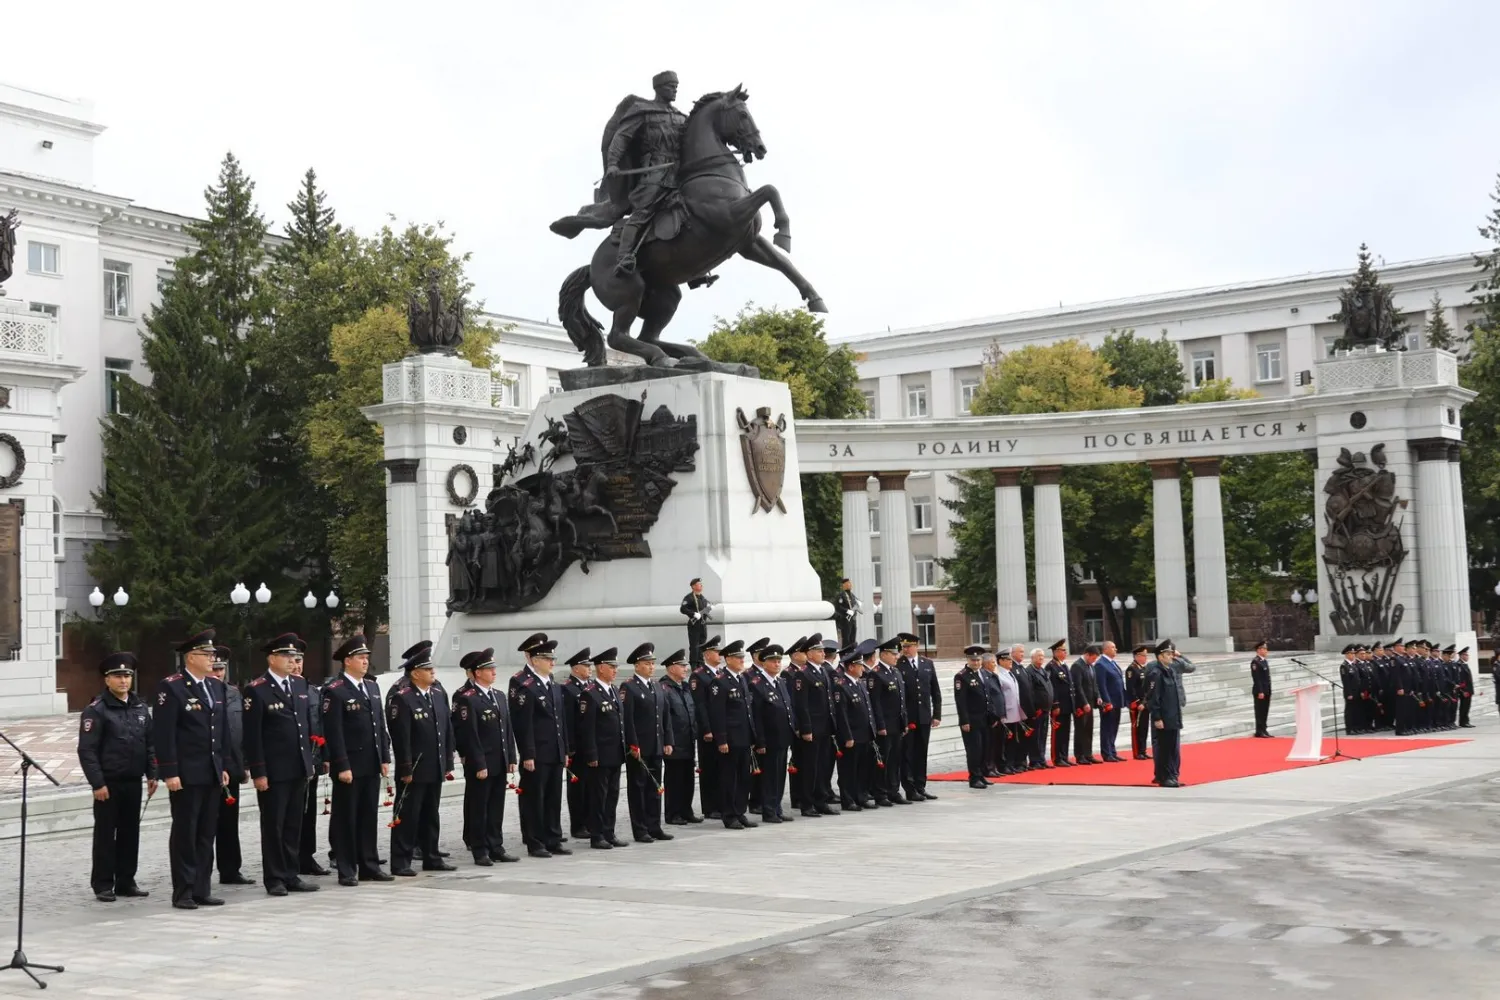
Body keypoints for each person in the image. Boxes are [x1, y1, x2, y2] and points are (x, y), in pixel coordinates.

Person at [154, 628, 231, 909]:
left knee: (206, 832)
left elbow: (218, 730)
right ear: (190, 657)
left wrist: (221, 765)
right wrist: (170, 771)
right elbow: (164, 734)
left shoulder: (214, 686)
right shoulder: (172, 687)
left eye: (213, 654)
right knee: (186, 831)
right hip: (186, 773)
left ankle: (202, 887)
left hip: (210, 771)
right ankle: (184, 890)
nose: (213, 658)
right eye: (206, 654)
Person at [243, 633, 319, 897]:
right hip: (274, 771)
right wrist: (259, 772)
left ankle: (291, 873)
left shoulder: (299, 685)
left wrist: (308, 764)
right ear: (272, 658)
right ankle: (274, 877)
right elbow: (253, 736)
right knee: (274, 825)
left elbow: (303, 728)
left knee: (293, 825)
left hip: (298, 767)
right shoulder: (257, 689)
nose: (292, 660)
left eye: (295, 656)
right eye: (287, 656)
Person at [78, 652, 157, 902]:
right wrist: (97, 783)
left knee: (129, 832)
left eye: (127, 676)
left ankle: (126, 880)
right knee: (105, 835)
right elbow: (87, 750)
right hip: (108, 784)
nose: (123, 681)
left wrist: (152, 773)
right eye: (118, 676)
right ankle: (102, 883)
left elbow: (150, 744)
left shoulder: (140, 707)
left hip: (133, 781)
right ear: (107, 680)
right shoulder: (96, 710)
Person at [320, 635, 394, 885]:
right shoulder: (335, 691)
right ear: (347, 661)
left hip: (371, 762)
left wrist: (384, 756)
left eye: (367, 658)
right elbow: (334, 731)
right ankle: (347, 868)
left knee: (368, 817)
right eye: (361, 658)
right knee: (346, 818)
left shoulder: (372, 687)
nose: (365, 661)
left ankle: (369, 865)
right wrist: (341, 764)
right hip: (350, 765)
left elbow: (379, 725)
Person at [387, 644, 456, 875]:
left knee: (430, 814)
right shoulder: (403, 698)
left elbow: (446, 730)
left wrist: (447, 761)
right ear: (415, 673)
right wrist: (406, 768)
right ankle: (401, 861)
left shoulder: (436, 695)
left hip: (434, 766)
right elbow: (401, 737)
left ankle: (432, 856)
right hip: (414, 769)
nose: (433, 672)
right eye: (428, 669)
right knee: (407, 815)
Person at [452, 647, 519, 867]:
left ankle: (496, 845)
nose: (494, 672)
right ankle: (480, 849)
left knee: (496, 806)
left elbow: (507, 729)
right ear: (477, 672)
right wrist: (478, 762)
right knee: (479, 807)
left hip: (499, 760)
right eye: (489, 669)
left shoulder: (498, 695)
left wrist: (511, 757)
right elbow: (469, 734)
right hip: (481, 763)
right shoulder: (467, 698)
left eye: (493, 668)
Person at [510, 633, 570, 857]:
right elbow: (522, 722)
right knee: (534, 798)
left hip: (554, 749)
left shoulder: (553, 685)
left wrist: (564, 748)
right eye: (547, 659)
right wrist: (528, 753)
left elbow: (560, 720)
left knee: (553, 797)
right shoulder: (522, 683)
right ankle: (535, 841)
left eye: (552, 659)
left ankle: (553, 837)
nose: (552, 663)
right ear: (534, 660)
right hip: (536, 751)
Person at [576, 649, 629, 849]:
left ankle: (609, 831)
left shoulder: (614, 691)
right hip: (600, 755)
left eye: (616, 667)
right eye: (611, 667)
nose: (615, 670)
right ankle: (597, 834)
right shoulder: (590, 694)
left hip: (615, 752)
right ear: (600, 668)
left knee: (613, 795)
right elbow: (587, 728)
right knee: (599, 796)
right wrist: (591, 754)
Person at [209, 645, 252, 887]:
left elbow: (241, 731)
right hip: (208, 768)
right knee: (205, 825)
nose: (217, 673)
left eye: (221, 669)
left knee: (229, 823)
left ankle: (230, 870)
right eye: (213, 668)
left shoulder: (235, 693)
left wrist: (244, 764)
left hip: (232, 769)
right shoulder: (200, 694)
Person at [622, 643, 673, 843]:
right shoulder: (629, 687)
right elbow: (628, 720)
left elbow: (665, 716)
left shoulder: (657, 686)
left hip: (656, 745)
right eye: (647, 663)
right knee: (639, 788)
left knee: (655, 787)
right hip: (640, 748)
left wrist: (668, 740)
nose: (651, 667)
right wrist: (633, 745)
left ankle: (655, 826)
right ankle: (640, 828)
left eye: (652, 663)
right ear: (637, 666)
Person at [289, 655, 331, 879]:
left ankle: (307, 855)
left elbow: (320, 724)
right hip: (291, 761)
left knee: (309, 812)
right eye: (292, 661)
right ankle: (291, 856)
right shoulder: (286, 691)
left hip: (312, 758)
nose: (296, 666)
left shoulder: (313, 691)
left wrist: (324, 755)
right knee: (293, 812)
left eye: (299, 662)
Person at [709, 639, 757, 829]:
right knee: (730, 778)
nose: (741, 660)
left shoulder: (742, 678)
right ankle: (729, 814)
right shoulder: (719, 682)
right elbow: (717, 713)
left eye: (742, 657)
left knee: (744, 777)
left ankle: (740, 811)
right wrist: (721, 739)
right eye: (738, 657)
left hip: (744, 737)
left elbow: (747, 710)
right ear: (728, 659)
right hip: (730, 738)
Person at [749, 644, 796, 822]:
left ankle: (777, 807)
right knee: (769, 776)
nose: (777, 664)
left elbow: (788, 708)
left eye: (779, 661)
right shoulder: (757, 685)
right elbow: (757, 716)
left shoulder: (780, 683)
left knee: (779, 775)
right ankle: (768, 810)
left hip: (782, 737)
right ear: (764, 663)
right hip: (768, 739)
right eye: (773, 661)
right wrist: (759, 741)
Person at [792, 634, 837, 817]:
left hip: (825, 727)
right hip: (812, 728)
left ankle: (821, 800)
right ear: (809, 654)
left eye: (822, 650)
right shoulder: (802, 674)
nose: (822, 653)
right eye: (818, 651)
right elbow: (802, 705)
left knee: (823, 766)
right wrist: (806, 729)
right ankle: (807, 803)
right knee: (810, 767)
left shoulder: (823, 671)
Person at [833, 640, 879, 807]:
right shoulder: (842, 686)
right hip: (852, 735)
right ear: (851, 667)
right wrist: (847, 736)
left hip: (865, 734)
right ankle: (848, 799)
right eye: (860, 666)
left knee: (862, 769)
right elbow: (842, 714)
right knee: (848, 769)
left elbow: (867, 709)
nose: (863, 668)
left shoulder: (859, 684)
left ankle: (861, 796)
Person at [898, 634, 941, 801]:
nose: (905, 650)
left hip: (924, 716)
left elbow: (935, 691)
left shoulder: (927, 664)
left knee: (921, 752)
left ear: (916, 646)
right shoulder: (899, 665)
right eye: (904, 647)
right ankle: (909, 788)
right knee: (907, 753)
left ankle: (921, 785)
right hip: (908, 717)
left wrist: (936, 714)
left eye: (909, 647)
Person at [660, 649, 700, 824]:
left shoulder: (684, 687)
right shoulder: (665, 688)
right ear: (671, 668)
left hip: (688, 740)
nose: (686, 669)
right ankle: (673, 813)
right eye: (682, 666)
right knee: (674, 779)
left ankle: (686, 810)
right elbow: (665, 717)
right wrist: (667, 740)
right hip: (675, 741)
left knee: (687, 778)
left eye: (686, 665)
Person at [867, 637, 910, 805]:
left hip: (897, 724)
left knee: (895, 760)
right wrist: (880, 725)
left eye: (896, 654)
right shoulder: (875, 674)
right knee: (882, 760)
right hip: (884, 725)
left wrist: (904, 721)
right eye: (893, 654)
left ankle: (894, 790)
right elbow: (875, 703)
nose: (896, 657)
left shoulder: (896, 672)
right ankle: (881, 792)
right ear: (883, 654)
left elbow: (901, 700)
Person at [561, 649, 594, 839]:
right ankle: (578, 825)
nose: (589, 669)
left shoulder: (591, 687)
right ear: (575, 668)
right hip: (577, 748)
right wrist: (570, 747)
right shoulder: (568, 689)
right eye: (586, 666)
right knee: (578, 789)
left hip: (591, 746)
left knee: (591, 787)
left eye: (590, 666)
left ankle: (590, 821)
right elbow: (568, 721)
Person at [690, 635, 723, 819]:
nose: (720, 655)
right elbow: (700, 705)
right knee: (709, 768)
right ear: (707, 654)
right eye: (717, 652)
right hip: (708, 730)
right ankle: (710, 807)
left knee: (720, 768)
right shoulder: (699, 675)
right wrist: (707, 729)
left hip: (720, 728)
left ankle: (721, 802)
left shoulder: (719, 673)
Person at [1146, 639, 1184, 787]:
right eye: (1168, 654)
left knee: (1173, 748)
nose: (1171, 657)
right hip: (1164, 718)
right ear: (1160, 656)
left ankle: (1173, 775)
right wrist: (1157, 717)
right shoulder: (1156, 673)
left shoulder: (1170, 671)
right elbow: (1153, 697)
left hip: (1173, 716)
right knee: (1165, 748)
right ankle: (1165, 776)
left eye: (1171, 654)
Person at [952, 645, 989, 788]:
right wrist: (964, 720)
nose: (976, 662)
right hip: (972, 720)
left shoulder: (983, 673)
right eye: (973, 660)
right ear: (968, 659)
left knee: (984, 748)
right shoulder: (962, 676)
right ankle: (974, 778)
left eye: (978, 659)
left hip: (984, 718)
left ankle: (981, 775)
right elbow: (960, 701)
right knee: (974, 750)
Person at [997, 649, 1033, 775]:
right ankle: (1005, 765)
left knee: (1013, 741)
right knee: (1006, 741)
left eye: (1010, 660)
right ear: (1000, 661)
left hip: (1015, 712)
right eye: (1007, 660)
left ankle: (1011, 764)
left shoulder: (1009, 673)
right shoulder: (999, 675)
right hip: (1006, 713)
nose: (1010, 662)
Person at [1070, 644, 1104, 765]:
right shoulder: (1077, 666)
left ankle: (1088, 754)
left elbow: (1094, 684)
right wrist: (1084, 702)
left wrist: (1098, 697)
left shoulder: (1090, 666)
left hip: (1090, 702)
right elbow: (1078, 687)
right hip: (1081, 704)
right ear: (1087, 655)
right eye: (1093, 658)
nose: (1094, 660)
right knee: (1080, 729)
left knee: (1088, 729)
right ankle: (1080, 755)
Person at [1093, 641, 1126, 761]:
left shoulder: (1112, 663)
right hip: (1109, 702)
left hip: (1117, 700)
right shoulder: (1101, 664)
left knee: (1114, 727)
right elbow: (1101, 685)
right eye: (1113, 647)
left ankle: (1112, 750)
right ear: (1105, 649)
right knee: (1107, 727)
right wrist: (1107, 701)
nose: (1115, 649)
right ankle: (1107, 753)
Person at [1023, 647, 1054, 769]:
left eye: (1042, 656)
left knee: (1043, 735)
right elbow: (1030, 692)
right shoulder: (1029, 671)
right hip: (1037, 710)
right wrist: (1035, 708)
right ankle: (1035, 760)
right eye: (1038, 656)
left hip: (1046, 709)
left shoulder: (1042, 670)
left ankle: (1041, 759)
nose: (1041, 658)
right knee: (1035, 736)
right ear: (1032, 658)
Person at [1046, 640, 1074, 766]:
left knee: (1066, 732)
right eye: (1063, 650)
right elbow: (1052, 687)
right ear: (1056, 652)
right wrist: (1055, 704)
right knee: (1058, 733)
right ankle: (1057, 757)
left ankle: (1064, 755)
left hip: (1067, 704)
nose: (1065, 652)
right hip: (1059, 705)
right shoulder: (1051, 667)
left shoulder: (1064, 666)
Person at [1125, 645, 1153, 759]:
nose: (1145, 658)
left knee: (1144, 727)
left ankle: (1143, 750)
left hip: (1145, 702)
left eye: (1146, 655)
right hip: (1137, 704)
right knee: (1137, 728)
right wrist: (1137, 702)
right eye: (1143, 655)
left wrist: (1146, 701)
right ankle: (1137, 752)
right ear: (1137, 656)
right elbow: (1130, 688)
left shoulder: (1144, 668)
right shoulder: (1132, 669)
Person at [680, 578, 711, 667]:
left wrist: (709, 608)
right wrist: (693, 614)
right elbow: (683, 609)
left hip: (702, 625)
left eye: (701, 584)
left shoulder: (702, 598)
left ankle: (701, 664)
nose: (701, 585)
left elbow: (706, 606)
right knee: (694, 646)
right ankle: (694, 665)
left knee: (702, 645)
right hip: (694, 625)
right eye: (698, 584)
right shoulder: (689, 597)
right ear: (693, 586)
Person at [1250, 640, 1273, 737]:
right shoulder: (1255, 662)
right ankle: (1259, 731)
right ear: (1259, 650)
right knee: (1260, 711)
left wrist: (1267, 690)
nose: (1266, 651)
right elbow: (1257, 678)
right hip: (1260, 691)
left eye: (1266, 649)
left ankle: (1264, 729)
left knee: (1265, 710)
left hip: (1266, 690)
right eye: (1264, 649)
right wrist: (1260, 691)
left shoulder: (1264, 661)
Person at [832, 578, 859, 649]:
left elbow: (855, 605)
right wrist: (847, 611)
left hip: (852, 619)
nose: (849, 585)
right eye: (847, 584)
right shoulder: (841, 596)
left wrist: (855, 610)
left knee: (853, 637)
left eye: (849, 583)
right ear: (843, 585)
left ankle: (852, 651)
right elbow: (838, 607)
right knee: (846, 638)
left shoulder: (852, 595)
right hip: (845, 620)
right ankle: (846, 653)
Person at [1457, 646, 1476, 728]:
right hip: (1465, 691)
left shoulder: (1464, 665)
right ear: (1461, 656)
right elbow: (1460, 679)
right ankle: (1463, 722)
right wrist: (1463, 691)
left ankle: (1466, 720)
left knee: (1467, 706)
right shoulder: (1459, 665)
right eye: (1465, 655)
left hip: (1469, 690)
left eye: (1467, 655)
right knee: (1464, 706)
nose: (1467, 657)